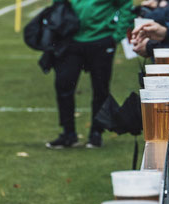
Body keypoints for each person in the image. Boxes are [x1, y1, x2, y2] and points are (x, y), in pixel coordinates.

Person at [45, 0, 133, 150]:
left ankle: (96, 133)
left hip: (101, 41)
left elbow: (126, 5)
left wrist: (117, 35)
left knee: (101, 89)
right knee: (63, 86)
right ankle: (68, 134)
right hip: (71, 41)